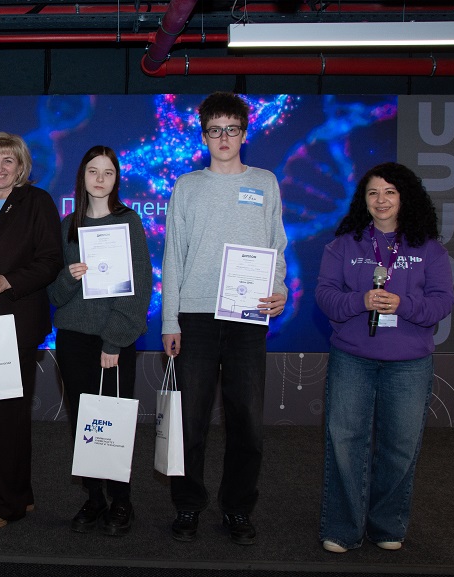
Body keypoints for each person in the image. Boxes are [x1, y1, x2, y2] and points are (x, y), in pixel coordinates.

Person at [161, 92, 288, 546]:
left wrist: (279, 289)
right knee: (190, 423)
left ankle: (237, 508)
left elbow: (277, 247)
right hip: (195, 317)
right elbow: (173, 256)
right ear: (203, 136)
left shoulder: (265, 182)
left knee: (247, 424)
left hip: (247, 316)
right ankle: (188, 505)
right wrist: (170, 321)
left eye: (232, 129)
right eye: (215, 130)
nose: (223, 137)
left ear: (244, 133)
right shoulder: (187, 186)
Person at [316, 162, 454, 553]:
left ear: (404, 197)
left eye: (390, 192)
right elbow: (325, 295)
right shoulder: (343, 245)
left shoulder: (429, 249)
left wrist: (403, 304)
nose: (381, 200)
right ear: (363, 200)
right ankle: (342, 529)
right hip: (353, 357)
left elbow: (443, 302)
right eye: (373, 192)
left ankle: (387, 525)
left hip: (409, 362)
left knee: (400, 446)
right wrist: (360, 300)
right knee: (345, 443)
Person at [47, 145, 152, 536]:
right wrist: (69, 277)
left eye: (108, 172)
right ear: (83, 176)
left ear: (116, 178)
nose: (100, 178)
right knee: (84, 422)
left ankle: (122, 501)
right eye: (93, 171)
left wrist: (114, 341)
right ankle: (94, 497)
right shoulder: (67, 225)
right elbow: (55, 295)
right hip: (73, 340)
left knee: (114, 422)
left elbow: (140, 287)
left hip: (113, 343)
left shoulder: (129, 221)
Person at [0, 132, 62, 530]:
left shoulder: (37, 202)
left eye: (8, 160)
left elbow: (50, 260)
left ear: (21, 167)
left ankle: (7, 504)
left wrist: (9, 281)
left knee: (6, 414)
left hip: (12, 324)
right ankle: (1, 490)